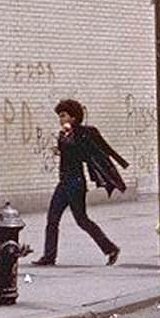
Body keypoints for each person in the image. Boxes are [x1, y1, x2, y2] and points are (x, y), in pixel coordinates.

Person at [31, 99, 121, 266]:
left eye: (63, 115)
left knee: (82, 220)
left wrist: (67, 139)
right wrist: (61, 146)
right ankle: (49, 256)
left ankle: (110, 248)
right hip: (64, 182)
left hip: (76, 183)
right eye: (59, 116)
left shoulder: (81, 134)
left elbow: (81, 153)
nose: (61, 119)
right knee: (52, 218)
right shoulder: (64, 134)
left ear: (73, 117)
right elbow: (67, 151)